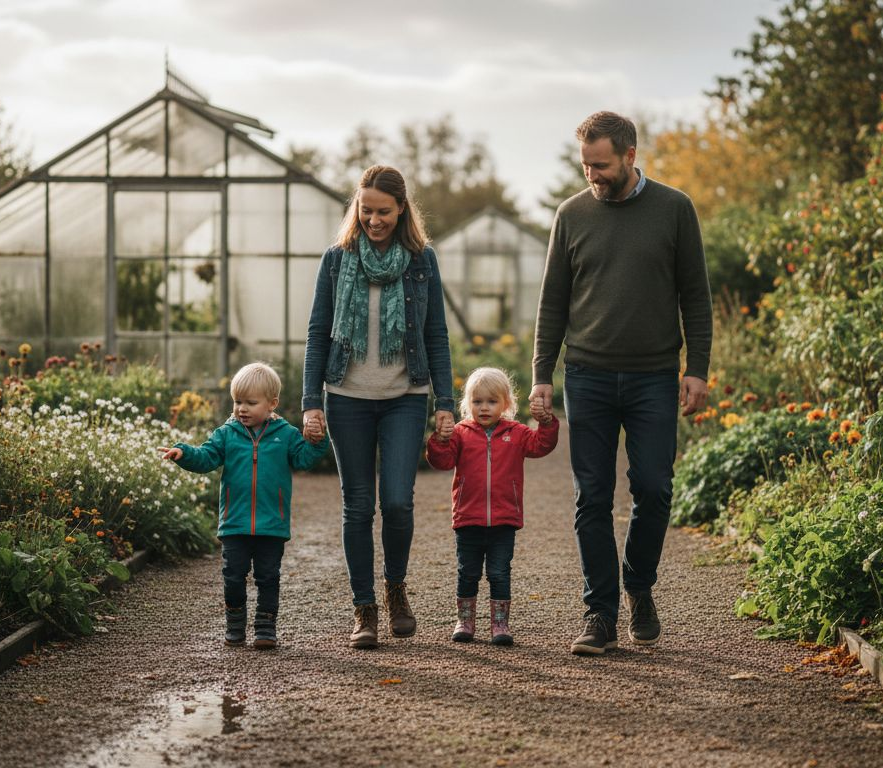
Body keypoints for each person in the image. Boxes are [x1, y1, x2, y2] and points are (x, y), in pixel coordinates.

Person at [530, 111, 712, 656]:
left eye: (602, 165)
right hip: (586, 374)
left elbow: (695, 296)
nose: (593, 175)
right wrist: (542, 374)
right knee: (592, 497)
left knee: (654, 489)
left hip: (654, 375)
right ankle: (600, 613)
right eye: (586, 165)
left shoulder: (674, 209)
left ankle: (639, 585)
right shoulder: (571, 214)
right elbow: (552, 301)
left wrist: (696, 368)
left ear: (631, 156)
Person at [301, 165, 456, 649]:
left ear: (402, 209)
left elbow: (436, 334)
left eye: (383, 211)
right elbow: (317, 332)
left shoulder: (420, 260)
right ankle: (363, 609)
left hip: (404, 398)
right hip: (346, 397)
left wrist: (445, 402)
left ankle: (395, 589)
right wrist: (310, 402)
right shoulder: (336, 259)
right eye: (365, 210)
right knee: (358, 506)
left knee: (397, 501)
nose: (373, 220)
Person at [159, 362, 328, 650]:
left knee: (268, 577)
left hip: (271, 524)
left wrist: (317, 442)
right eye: (238, 402)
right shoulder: (226, 434)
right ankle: (235, 625)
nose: (242, 409)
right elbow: (207, 456)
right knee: (233, 576)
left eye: (251, 402)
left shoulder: (285, 434)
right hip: (234, 523)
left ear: (272, 403)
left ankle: (265, 628)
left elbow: (304, 459)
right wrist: (183, 454)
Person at [426, 367, 558, 645]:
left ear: (506, 404)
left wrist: (546, 423)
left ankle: (500, 624)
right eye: (477, 402)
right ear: (467, 404)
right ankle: (465, 620)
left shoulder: (518, 433)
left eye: (491, 401)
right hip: (468, 518)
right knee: (468, 571)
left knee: (499, 572)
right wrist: (440, 439)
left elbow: (541, 446)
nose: (484, 408)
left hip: (504, 519)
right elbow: (442, 461)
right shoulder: (460, 433)